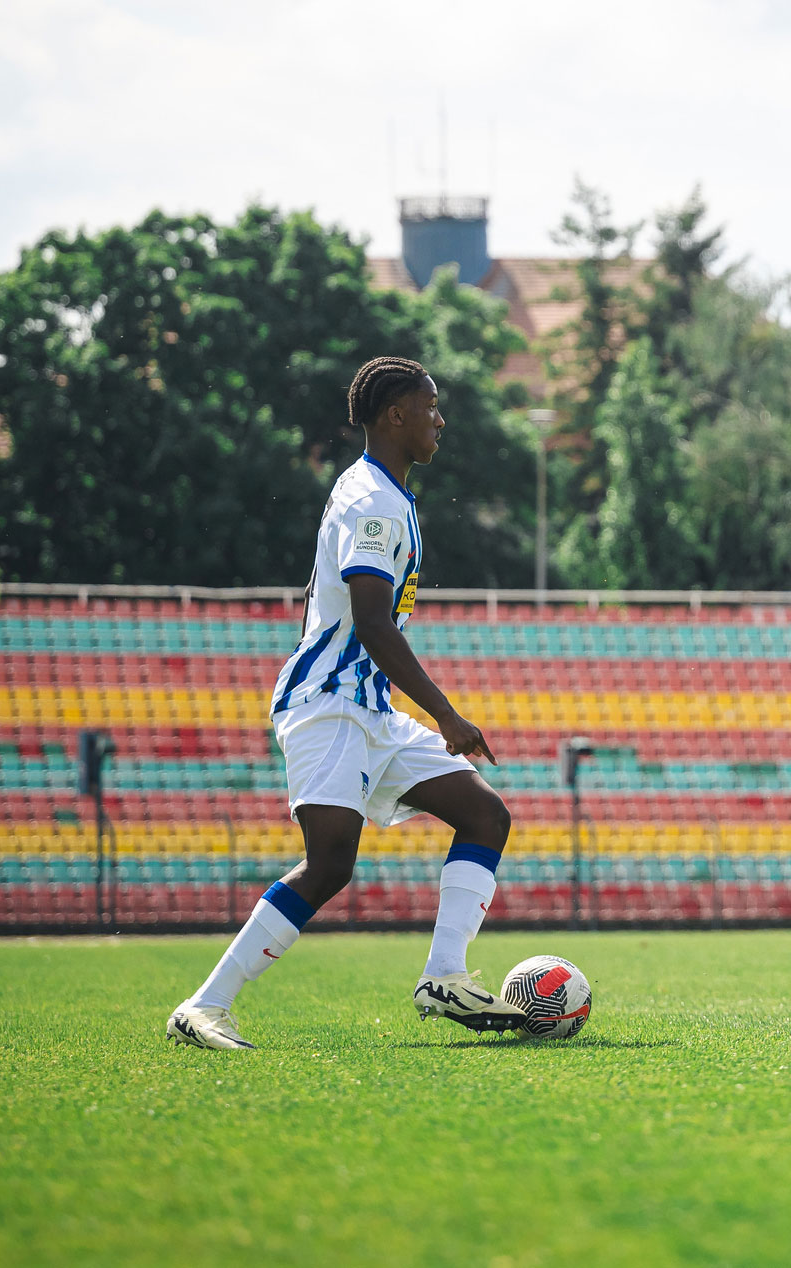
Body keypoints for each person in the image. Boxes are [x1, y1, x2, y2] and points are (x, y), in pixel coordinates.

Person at [168, 357, 526, 1050]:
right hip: (329, 704)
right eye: (430, 406)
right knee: (330, 862)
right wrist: (447, 716)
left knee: (484, 812)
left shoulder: (386, 492)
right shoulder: (372, 501)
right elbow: (371, 621)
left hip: (368, 709)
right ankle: (204, 1005)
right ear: (395, 415)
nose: (440, 420)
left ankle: (443, 976)